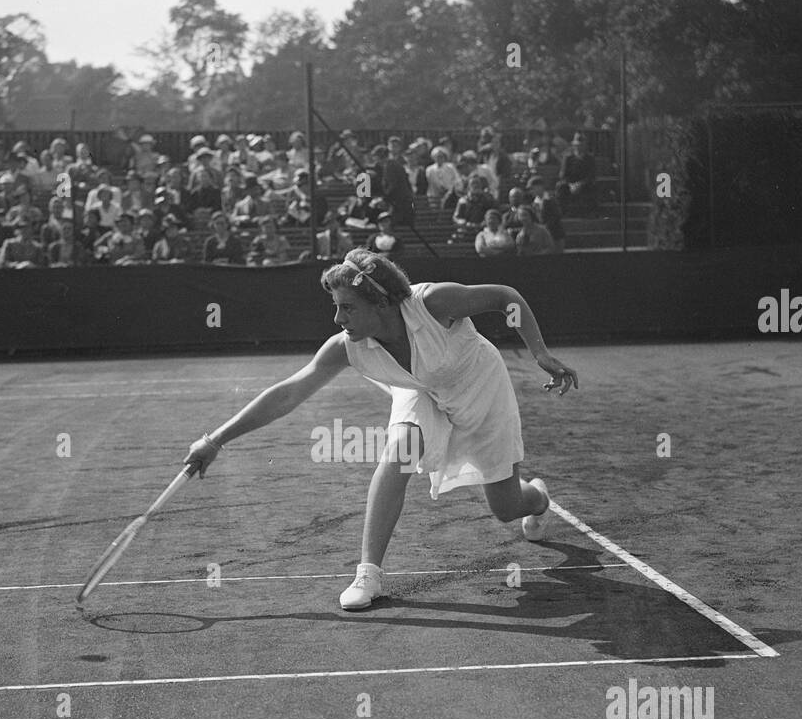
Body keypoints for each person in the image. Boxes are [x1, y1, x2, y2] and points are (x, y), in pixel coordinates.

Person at [181, 251, 578, 611]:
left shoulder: (433, 303)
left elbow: (505, 296)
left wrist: (540, 353)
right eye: (336, 308)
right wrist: (215, 439)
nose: (338, 320)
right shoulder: (346, 346)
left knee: (506, 508)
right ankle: (368, 575)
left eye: (348, 308)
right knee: (399, 451)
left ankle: (538, 498)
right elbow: (289, 393)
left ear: (382, 302)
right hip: (419, 391)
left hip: (480, 388)